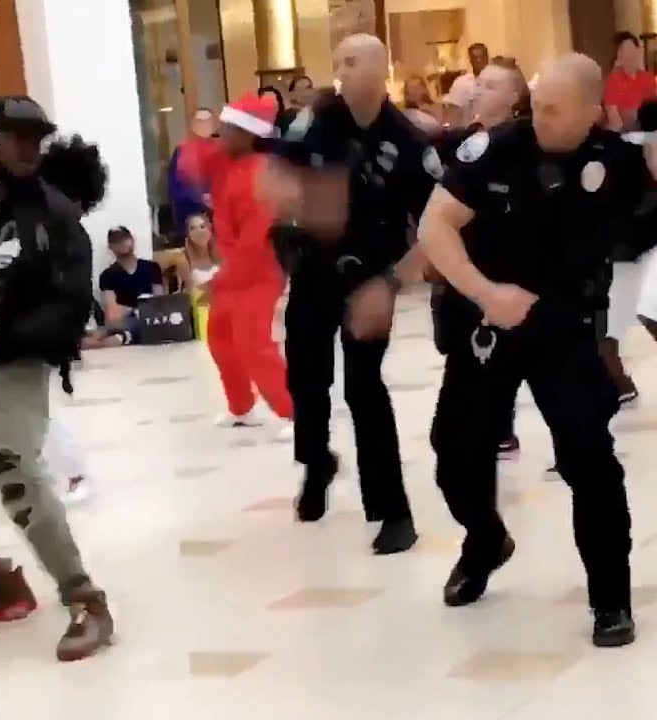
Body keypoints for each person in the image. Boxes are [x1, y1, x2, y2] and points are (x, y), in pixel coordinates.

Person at [415, 53, 657, 648]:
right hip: (490, 321)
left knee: (589, 458)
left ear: (592, 111)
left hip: (565, 329)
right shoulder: (495, 150)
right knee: (456, 453)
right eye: (537, 105)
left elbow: (645, 227)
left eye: (555, 109)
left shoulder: (617, 163)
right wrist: (486, 293)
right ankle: (484, 540)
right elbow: (434, 226)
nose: (540, 117)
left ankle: (610, 600)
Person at [259, 34, 436, 555]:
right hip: (314, 269)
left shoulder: (407, 141)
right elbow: (278, 169)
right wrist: (283, 194)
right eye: (337, 61)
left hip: (369, 279)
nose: (341, 69)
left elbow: (436, 228)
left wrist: (393, 283)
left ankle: (392, 510)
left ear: (382, 70)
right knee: (306, 378)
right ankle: (316, 463)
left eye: (353, 61)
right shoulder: (317, 118)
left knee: (364, 388)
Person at [0, 95, 113, 662]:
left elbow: (68, 307)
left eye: (33, 137)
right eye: (13, 135)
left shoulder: (57, 216)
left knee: (13, 468)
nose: (25, 146)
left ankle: (84, 597)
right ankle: (2, 580)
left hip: (17, 361)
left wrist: (10, 334)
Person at [425, 62, 531, 460]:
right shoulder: (459, 144)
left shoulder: (526, 145)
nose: (479, 91)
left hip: (503, 267)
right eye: (479, 84)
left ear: (514, 96)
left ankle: (499, 429)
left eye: (491, 85)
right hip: (459, 266)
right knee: (459, 351)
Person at [179, 93, 294, 432]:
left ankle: (295, 413)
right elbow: (188, 165)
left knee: (253, 344)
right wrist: (198, 132)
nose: (220, 134)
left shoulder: (260, 176)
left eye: (227, 129)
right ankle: (241, 406)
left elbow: (255, 242)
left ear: (248, 135)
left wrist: (219, 281)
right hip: (234, 270)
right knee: (220, 338)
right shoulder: (226, 161)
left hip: (259, 272)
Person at [97, 227, 165, 344]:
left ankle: (125, 337)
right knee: (123, 319)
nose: (121, 243)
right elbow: (112, 311)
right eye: (116, 241)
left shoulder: (152, 267)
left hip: (152, 320)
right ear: (110, 247)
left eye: (124, 239)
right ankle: (126, 334)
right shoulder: (107, 275)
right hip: (125, 322)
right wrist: (136, 311)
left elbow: (161, 302)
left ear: (132, 240)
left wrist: (140, 311)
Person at [167, 108, 215, 238]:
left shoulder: (222, 151)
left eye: (207, 121)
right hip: (190, 219)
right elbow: (174, 188)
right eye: (200, 121)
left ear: (213, 124)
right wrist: (200, 198)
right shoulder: (181, 151)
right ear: (193, 125)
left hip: (219, 221)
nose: (204, 125)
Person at [603, 32, 655, 131]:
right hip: (625, 134)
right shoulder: (613, 81)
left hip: (649, 132)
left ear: (638, 50)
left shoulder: (648, 78)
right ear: (618, 56)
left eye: (631, 49)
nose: (629, 55)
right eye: (624, 51)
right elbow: (614, 121)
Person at [444, 42, 490, 124]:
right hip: (469, 128)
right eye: (475, 58)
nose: (479, 61)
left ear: (487, 58)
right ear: (470, 60)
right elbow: (453, 113)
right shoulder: (460, 83)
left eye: (482, 57)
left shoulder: (498, 81)